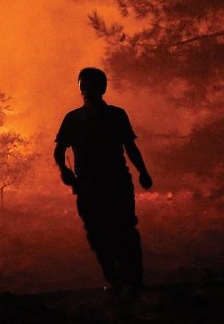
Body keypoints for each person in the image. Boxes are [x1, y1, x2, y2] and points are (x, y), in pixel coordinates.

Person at [54, 67, 153, 296]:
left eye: (91, 85)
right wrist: (64, 170)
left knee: (125, 229)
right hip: (88, 185)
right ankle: (113, 278)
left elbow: (130, 147)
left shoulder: (116, 115)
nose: (86, 90)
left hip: (116, 181)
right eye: (83, 85)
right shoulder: (73, 119)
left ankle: (133, 279)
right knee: (97, 232)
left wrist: (143, 172)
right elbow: (59, 150)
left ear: (102, 88)